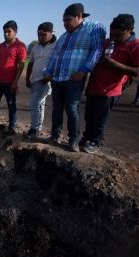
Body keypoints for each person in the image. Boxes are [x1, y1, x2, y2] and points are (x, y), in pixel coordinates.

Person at [43, 3, 106, 152]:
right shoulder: (64, 36)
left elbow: (97, 51)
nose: (65, 24)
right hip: (58, 78)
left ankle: (73, 140)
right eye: (63, 20)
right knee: (57, 109)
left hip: (74, 78)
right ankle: (55, 136)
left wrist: (84, 70)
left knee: (72, 109)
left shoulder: (94, 28)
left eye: (68, 20)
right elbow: (55, 56)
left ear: (79, 17)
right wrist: (49, 71)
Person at [81, 14, 139, 153]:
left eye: (119, 34)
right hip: (94, 85)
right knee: (89, 115)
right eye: (112, 33)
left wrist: (113, 64)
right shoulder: (106, 42)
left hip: (110, 90)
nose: (114, 37)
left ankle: (95, 142)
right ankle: (86, 138)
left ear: (130, 30)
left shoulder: (138, 46)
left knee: (100, 117)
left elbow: (137, 71)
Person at [0, 20, 27, 133]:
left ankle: (12, 127)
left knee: (11, 106)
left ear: (15, 32)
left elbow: (21, 65)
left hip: (10, 83)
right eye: (4, 32)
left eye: (9, 31)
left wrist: (15, 82)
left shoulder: (20, 46)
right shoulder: (0, 46)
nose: (6, 34)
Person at [25, 22, 57, 139]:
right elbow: (31, 63)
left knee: (34, 103)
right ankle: (38, 127)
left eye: (43, 35)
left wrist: (50, 77)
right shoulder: (36, 47)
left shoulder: (56, 46)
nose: (40, 37)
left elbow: (58, 63)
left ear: (51, 33)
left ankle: (34, 128)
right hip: (35, 80)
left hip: (46, 81)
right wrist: (27, 78)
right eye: (38, 35)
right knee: (40, 105)